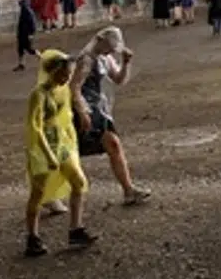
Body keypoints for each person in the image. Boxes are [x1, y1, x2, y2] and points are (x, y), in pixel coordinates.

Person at [58, 27, 151, 207]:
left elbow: (118, 79)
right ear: (100, 40)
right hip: (85, 109)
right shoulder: (86, 59)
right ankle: (51, 192)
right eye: (109, 46)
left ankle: (128, 190)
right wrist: (82, 111)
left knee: (113, 144)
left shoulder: (104, 58)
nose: (110, 51)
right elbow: (74, 87)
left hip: (98, 109)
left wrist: (125, 63)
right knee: (68, 153)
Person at [23, 50, 97, 257]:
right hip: (43, 147)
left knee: (79, 181)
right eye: (63, 74)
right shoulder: (38, 95)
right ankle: (32, 236)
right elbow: (35, 127)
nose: (66, 79)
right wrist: (48, 154)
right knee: (38, 193)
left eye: (69, 75)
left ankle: (76, 228)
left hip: (61, 144)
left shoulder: (61, 89)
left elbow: (65, 116)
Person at [14, 0, 40, 72]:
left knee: (29, 49)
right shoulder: (26, 11)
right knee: (21, 49)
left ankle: (41, 58)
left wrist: (31, 34)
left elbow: (32, 24)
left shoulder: (27, 12)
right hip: (22, 34)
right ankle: (21, 64)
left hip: (26, 34)